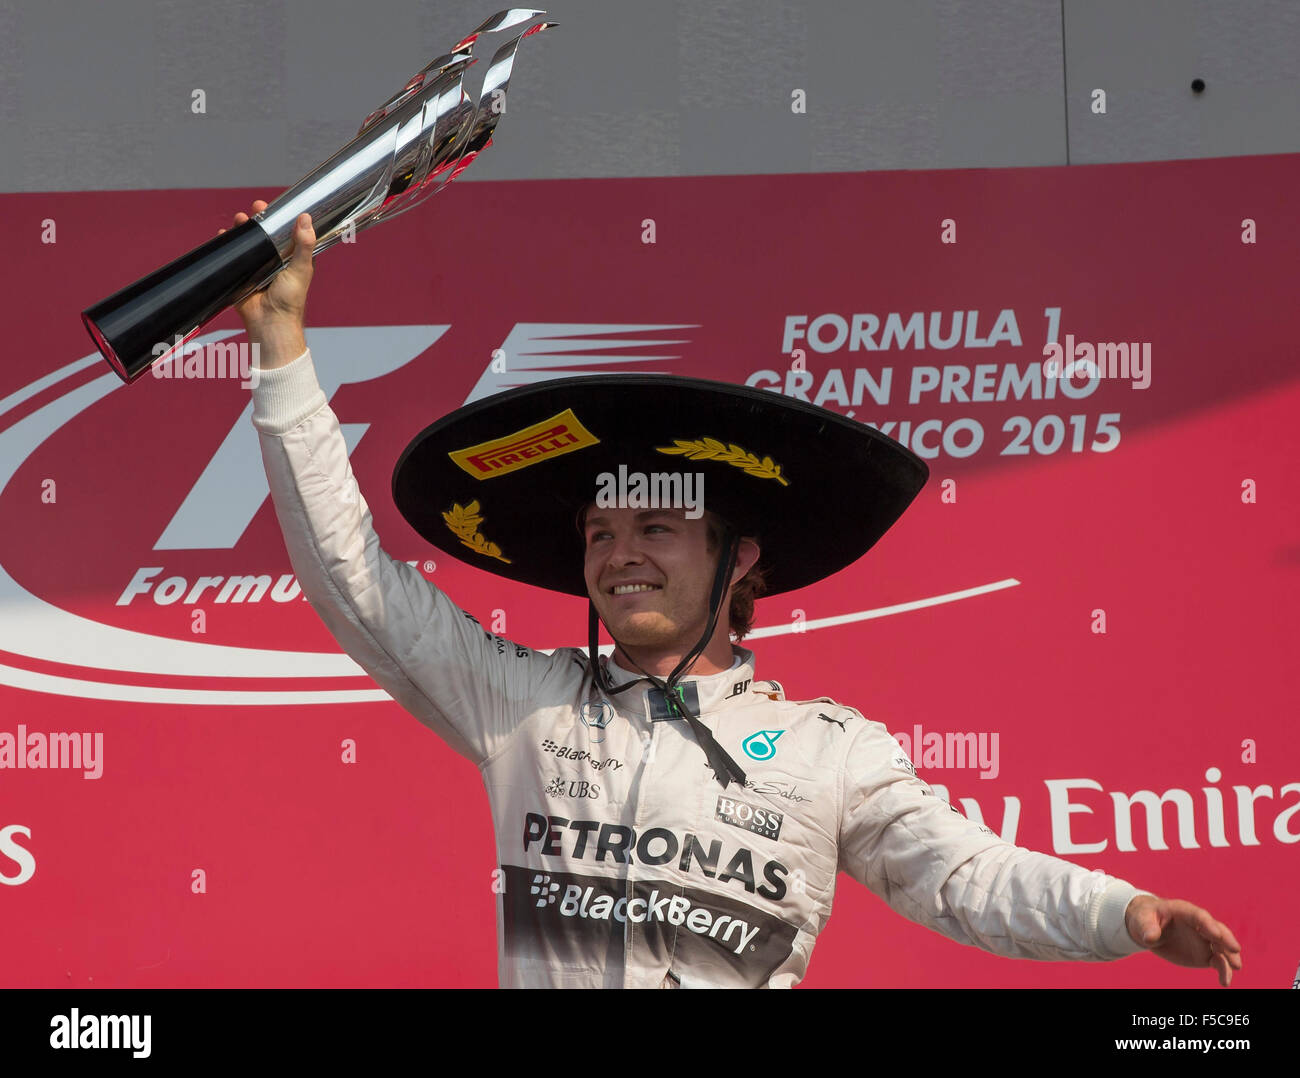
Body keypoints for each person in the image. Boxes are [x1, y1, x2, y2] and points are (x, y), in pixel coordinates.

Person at [226, 203, 1244, 989]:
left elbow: (963, 874)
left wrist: (1120, 911)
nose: (618, 554)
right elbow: (352, 576)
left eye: (654, 527)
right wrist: (281, 347)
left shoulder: (829, 749)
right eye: (599, 532)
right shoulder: (521, 704)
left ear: (739, 556)